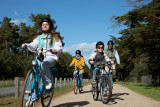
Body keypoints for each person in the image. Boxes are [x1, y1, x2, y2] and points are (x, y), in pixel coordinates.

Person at [21, 17, 63, 90]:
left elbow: (58, 46)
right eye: (43, 24)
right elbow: (33, 45)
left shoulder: (55, 36)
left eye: (46, 24)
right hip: (39, 58)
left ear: (50, 26)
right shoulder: (38, 37)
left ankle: (48, 81)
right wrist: (26, 45)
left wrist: (55, 50)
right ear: (41, 26)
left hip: (51, 58)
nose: (45, 26)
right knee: (32, 75)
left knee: (44, 63)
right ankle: (29, 98)